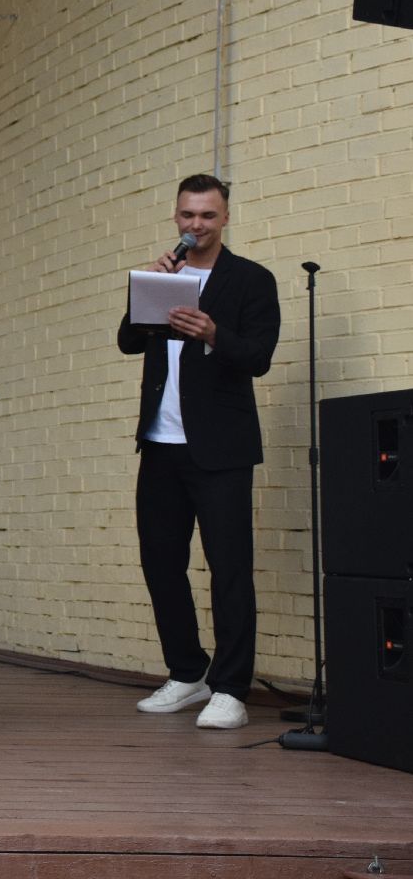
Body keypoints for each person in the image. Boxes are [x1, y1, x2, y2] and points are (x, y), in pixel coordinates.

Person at [118, 173, 279, 730]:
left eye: (207, 216)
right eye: (187, 215)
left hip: (221, 449)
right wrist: (148, 290)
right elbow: (128, 341)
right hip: (161, 445)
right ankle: (188, 673)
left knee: (230, 569)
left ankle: (232, 688)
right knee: (161, 563)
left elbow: (259, 356)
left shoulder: (251, 280)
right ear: (176, 216)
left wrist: (212, 332)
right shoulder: (164, 275)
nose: (196, 225)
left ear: (226, 218)